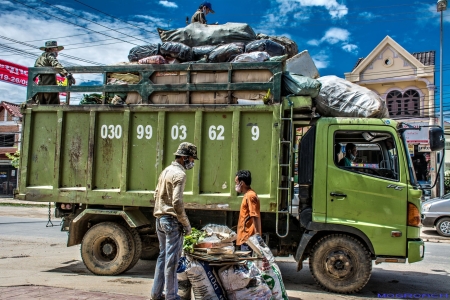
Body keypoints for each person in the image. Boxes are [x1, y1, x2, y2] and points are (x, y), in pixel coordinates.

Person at [150, 142, 198, 300]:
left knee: (163, 257)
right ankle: (171, 296)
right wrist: (186, 224)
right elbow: (177, 202)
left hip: (160, 219)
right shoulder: (180, 174)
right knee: (172, 261)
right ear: (184, 158)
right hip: (171, 221)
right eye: (191, 159)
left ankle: (156, 294)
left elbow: (156, 194)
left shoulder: (166, 171)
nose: (192, 162)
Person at [235, 170, 262, 251]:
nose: (236, 185)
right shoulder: (248, 194)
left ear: (242, 183)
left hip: (248, 238)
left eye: (236, 182)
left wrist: (257, 236)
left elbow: (254, 215)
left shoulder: (250, 196)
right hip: (246, 237)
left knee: (246, 262)